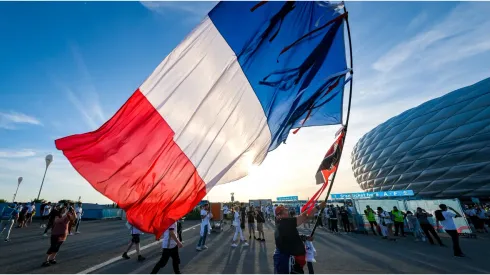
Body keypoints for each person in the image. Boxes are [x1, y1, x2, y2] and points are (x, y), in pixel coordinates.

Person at [273, 202, 326, 274]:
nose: (287, 212)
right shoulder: (285, 222)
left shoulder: (281, 224)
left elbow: (290, 237)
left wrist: (305, 237)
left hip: (290, 260)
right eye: (285, 211)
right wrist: (318, 207)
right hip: (288, 261)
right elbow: (305, 216)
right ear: (280, 215)